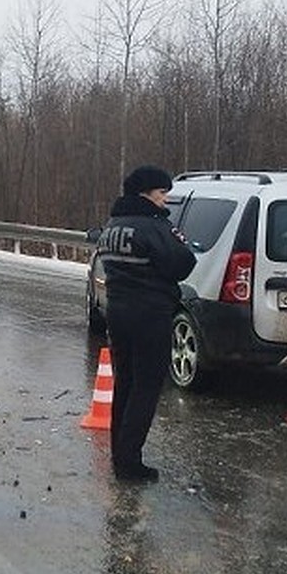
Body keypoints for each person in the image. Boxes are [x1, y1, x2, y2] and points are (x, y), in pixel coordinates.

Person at [95, 164, 197, 482]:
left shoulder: (114, 225)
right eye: (162, 193)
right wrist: (180, 243)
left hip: (118, 312)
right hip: (150, 313)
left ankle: (119, 456)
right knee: (147, 388)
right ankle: (130, 463)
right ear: (146, 194)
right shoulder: (154, 227)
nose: (166, 200)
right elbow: (182, 264)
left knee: (125, 385)